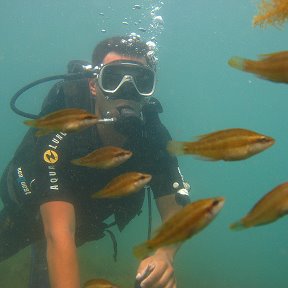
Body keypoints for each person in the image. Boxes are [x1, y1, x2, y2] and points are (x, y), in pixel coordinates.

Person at [0, 35, 190, 288]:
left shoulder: (153, 137)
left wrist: (165, 255)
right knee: (44, 243)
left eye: (141, 81)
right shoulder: (64, 133)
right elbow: (59, 235)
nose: (127, 90)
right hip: (30, 216)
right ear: (93, 85)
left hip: (86, 224)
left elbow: (176, 211)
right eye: (113, 78)